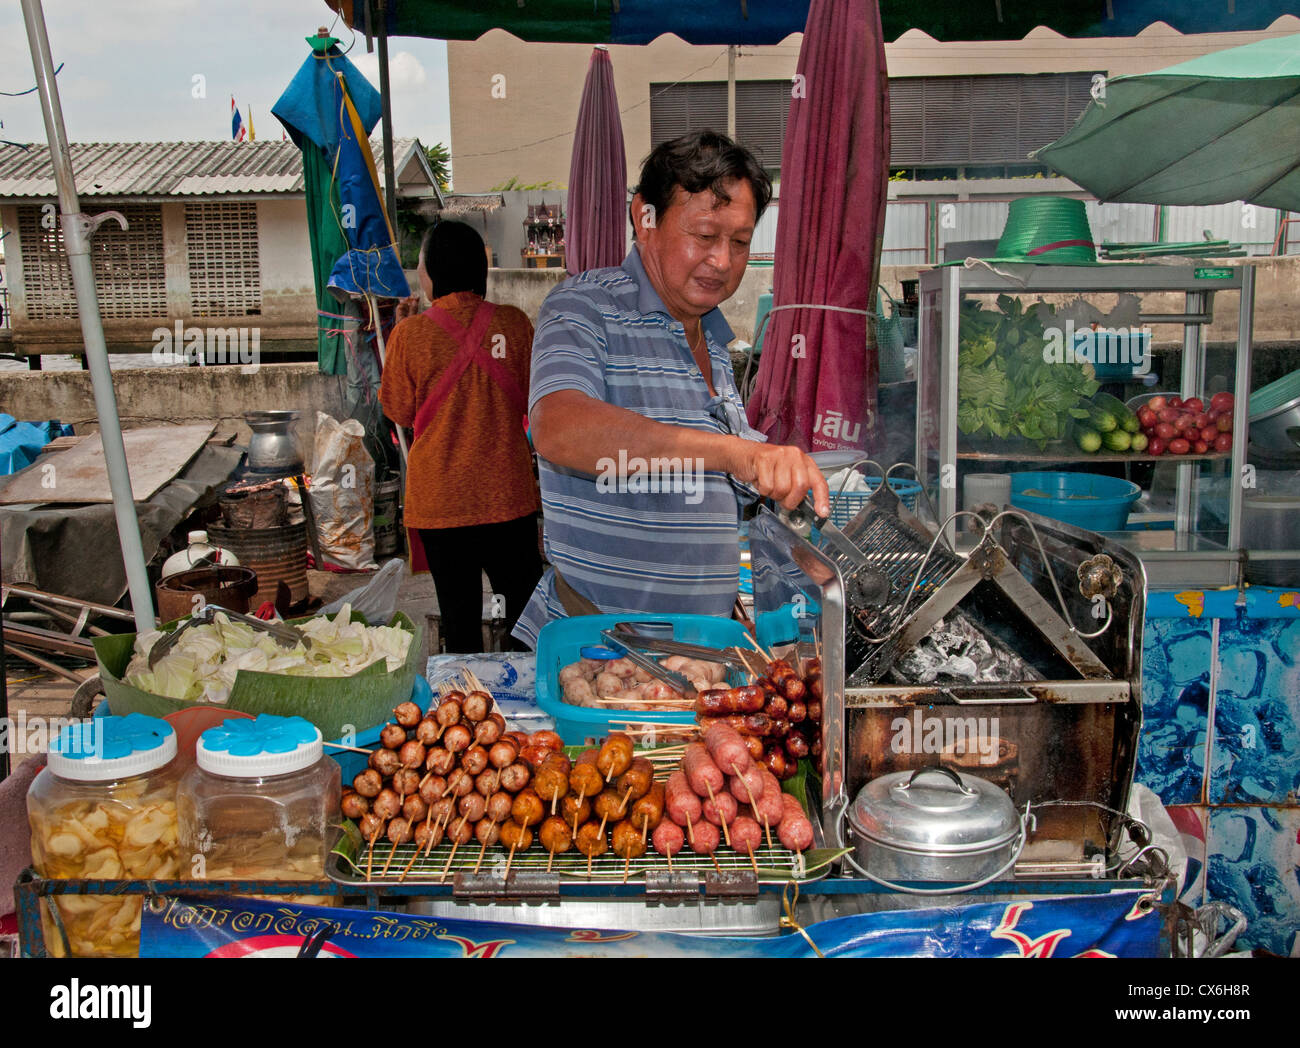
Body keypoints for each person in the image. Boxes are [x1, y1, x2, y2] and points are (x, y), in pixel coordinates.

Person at [513, 131, 829, 648]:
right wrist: (734, 453)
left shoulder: (715, 339)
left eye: (741, 241)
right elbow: (559, 427)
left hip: (698, 650)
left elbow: (715, 475)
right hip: (599, 650)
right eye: (705, 235)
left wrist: (777, 468)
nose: (724, 261)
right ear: (646, 218)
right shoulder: (584, 307)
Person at [380, 220, 543, 653]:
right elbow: (535, 399)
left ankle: (464, 706)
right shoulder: (515, 324)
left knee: (459, 615)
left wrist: (402, 334)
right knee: (521, 613)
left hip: (442, 506)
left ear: (433, 271)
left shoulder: (409, 335)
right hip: (507, 499)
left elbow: (397, 410)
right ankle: (523, 706)